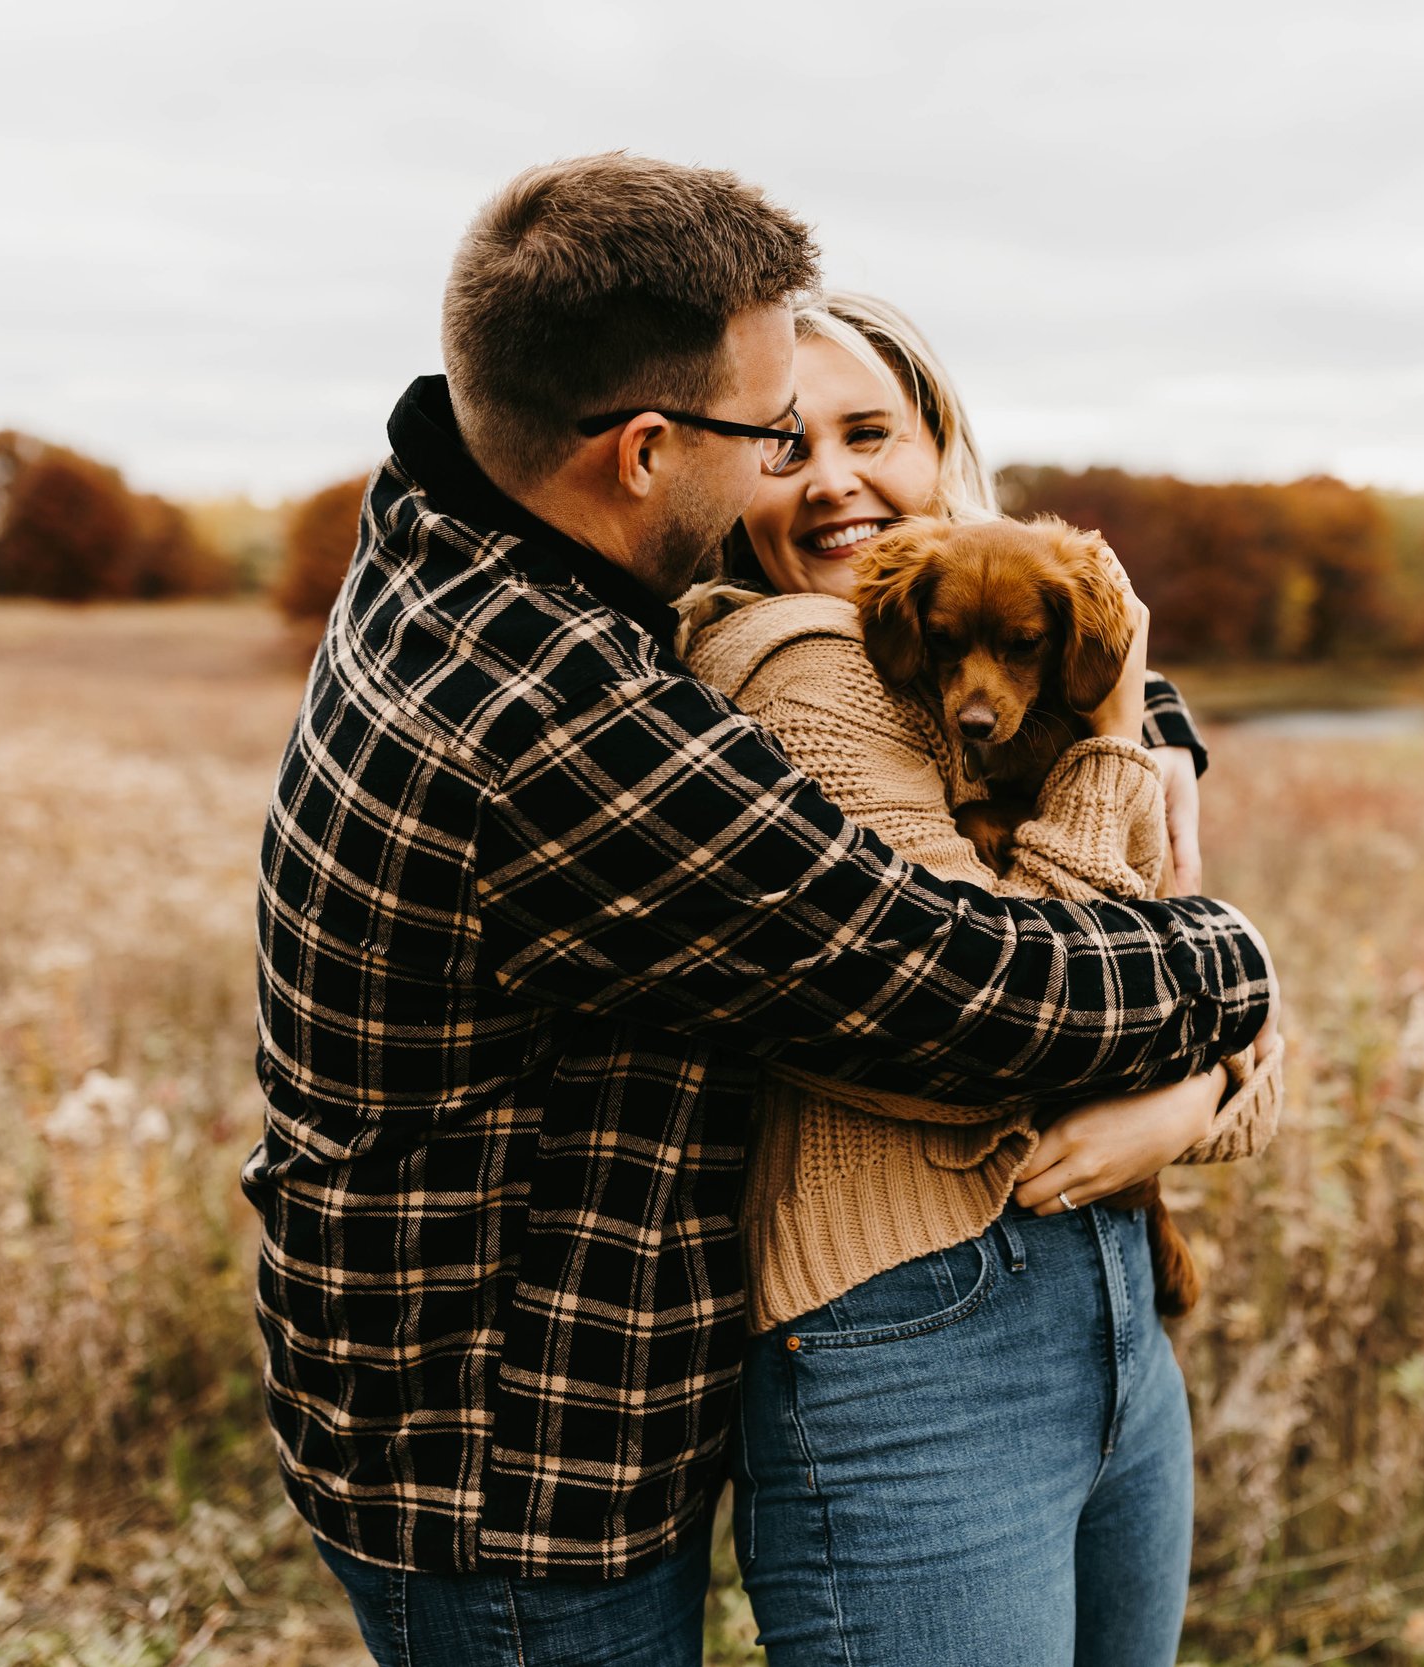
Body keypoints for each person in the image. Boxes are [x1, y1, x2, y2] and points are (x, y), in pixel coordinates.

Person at [240, 155, 1276, 1667]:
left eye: (862, 428)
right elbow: (960, 988)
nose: (805, 476)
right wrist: (1238, 966)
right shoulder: (561, 719)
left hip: (547, 1390)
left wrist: (1129, 701)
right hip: (510, 1454)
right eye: (766, 435)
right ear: (647, 452)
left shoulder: (471, 520)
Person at [679, 293, 1283, 1667]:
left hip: (1104, 1298)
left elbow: (1208, 969)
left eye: (870, 431)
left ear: (941, 445)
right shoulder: (797, 665)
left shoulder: (1019, 657)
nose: (834, 477)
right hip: (916, 1341)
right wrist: (1122, 737)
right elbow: (1018, 1005)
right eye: (783, 443)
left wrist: (1190, 1106)